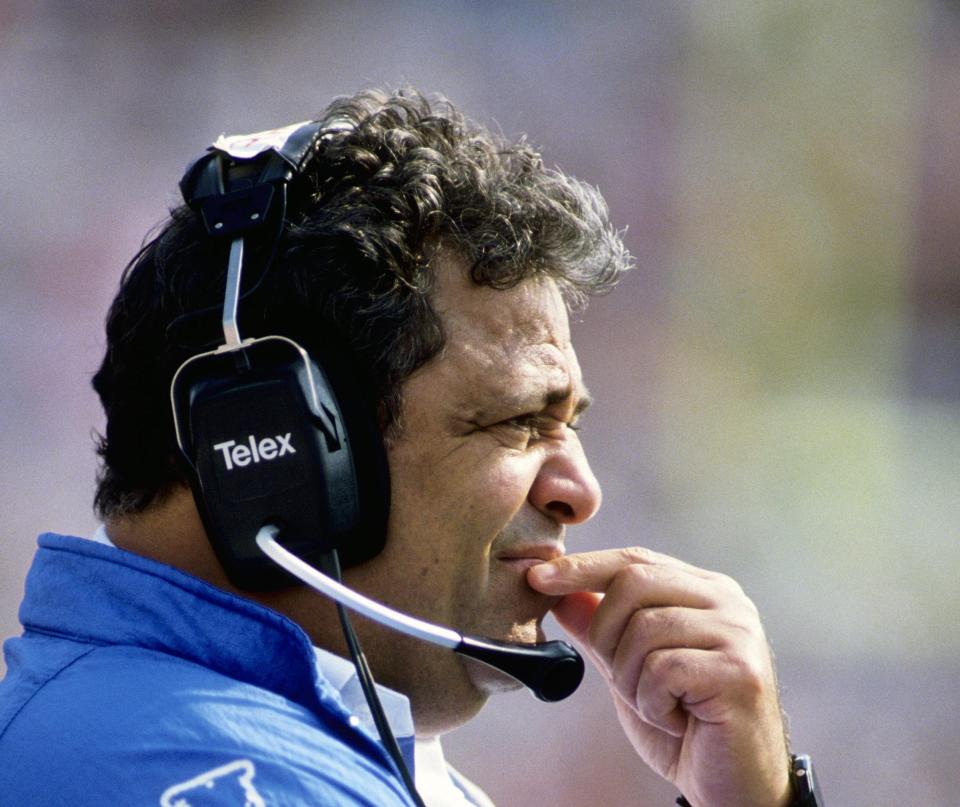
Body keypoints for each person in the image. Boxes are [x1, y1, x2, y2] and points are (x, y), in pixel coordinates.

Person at [0, 89, 816, 806]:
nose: (580, 488)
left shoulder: (322, 750)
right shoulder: (215, 774)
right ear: (276, 449)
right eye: (518, 422)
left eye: (571, 426)